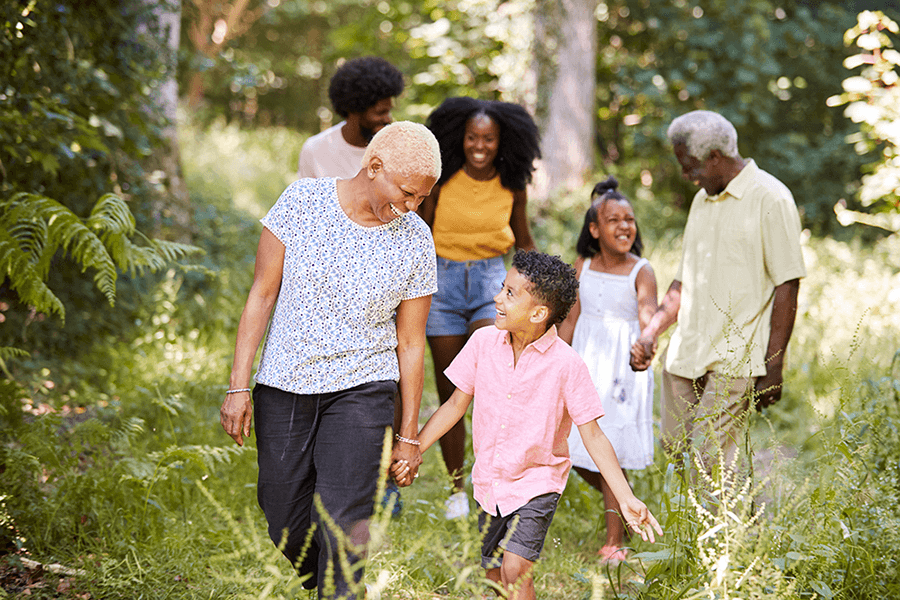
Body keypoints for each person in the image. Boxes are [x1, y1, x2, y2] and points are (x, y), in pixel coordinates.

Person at [220, 122, 441, 600]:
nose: (410, 208)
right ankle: (326, 586)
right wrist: (238, 385)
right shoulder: (301, 203)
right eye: (405, 194)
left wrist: (408, 436)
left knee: (343, 521)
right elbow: (261, 295)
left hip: (364, 388)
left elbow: (410, 343)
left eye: (421, 199)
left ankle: (339, 590)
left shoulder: (416, 239)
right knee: (283, 512)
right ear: (374, 166)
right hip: (285, 380)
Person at [392, 251, 662, 600]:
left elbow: (593, 435)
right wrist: (413, 447)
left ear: (538, 313)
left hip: (538, 481)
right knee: (492, 574)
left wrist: (626, 497)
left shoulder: (567, 365)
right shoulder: (483, 343)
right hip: (489, 481)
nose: (496, 298)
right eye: (503, 288)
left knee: (515, 568)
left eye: (509, 294)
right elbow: (455, 404)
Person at [631, 110, 805, 478]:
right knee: (676, 449)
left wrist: (774, 364)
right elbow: (683, 281)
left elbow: (787, 285)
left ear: (714, 157)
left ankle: (731, 535)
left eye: (689, 165)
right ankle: (724, 527)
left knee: (711, 459)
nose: (685, 175)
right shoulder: (701, 201)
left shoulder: (771, 199)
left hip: (735, 357)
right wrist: (651, 332)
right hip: (687, 352)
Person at [418, 97, 541, 519]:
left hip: (492, 282)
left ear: (502, 140)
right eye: (472, 137)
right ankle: (455, 488)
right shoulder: (443, 178)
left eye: (488, 138)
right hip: (441, 282)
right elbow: (420, 230)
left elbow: (523, 242)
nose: (480, 145)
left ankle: (494, 484)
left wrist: (544, 291)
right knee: (451, 388)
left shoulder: (511, 183)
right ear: (460, 138)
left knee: (493, 385)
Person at [557, 176, 658, 566]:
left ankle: (614, 542)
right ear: (595, 230)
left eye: (630, 219)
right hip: (586, 362)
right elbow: (569, 320)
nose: (624, 226)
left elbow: (648, 319)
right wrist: (555, 360)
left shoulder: (641, 270)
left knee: (608, 446)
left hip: (621, 373)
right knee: (577, 448)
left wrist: (646, 345)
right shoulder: (583, 265)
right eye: (613, 220)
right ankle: (623, 498)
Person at [297, 56, 404, 179]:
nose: (387, 119)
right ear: (354, 110)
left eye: (389, 111)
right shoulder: (315, 150)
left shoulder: (396, 151)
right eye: (380, 112)